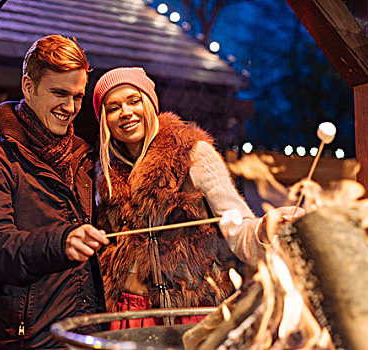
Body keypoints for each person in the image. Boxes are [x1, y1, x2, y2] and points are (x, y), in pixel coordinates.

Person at [92, 67, 303, 329]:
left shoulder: (192, 154)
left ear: (149, 103)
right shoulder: (107, 173)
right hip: (127, 313)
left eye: (134, 101)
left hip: (189, 313)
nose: (125, 112)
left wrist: (265, 228)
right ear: (105, 120)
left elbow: (237, 226)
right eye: (113, 108)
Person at [0, 34, 109, 349]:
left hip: (83, 335)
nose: (70, 108)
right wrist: (61, 243)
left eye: (78, 96)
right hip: (22, 340)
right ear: (29, 87)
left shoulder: (85, 158)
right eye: (59, 93)